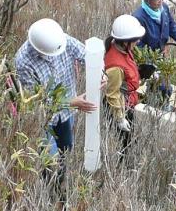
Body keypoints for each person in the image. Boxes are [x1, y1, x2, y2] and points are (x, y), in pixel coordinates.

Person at [14, 18, 96, 188]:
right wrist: (72, 102)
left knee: (66, 149)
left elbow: (86, 55)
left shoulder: (61, 39)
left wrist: (99, 72)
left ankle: (61, 184)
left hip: (66, 114)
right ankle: (51, 191)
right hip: (42, 120)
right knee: (50, 162)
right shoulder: (23, 62)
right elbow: (36, 102)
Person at [104, 15, 146, 160]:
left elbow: (127, 75)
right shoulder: (114, 65)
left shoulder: (123, 50)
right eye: (135, 39)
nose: (138, 41)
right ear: (125, 41)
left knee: (129, 141)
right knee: (123, 144)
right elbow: (113, 94)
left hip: (128, 103)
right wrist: (120, 118)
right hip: (121, 108)